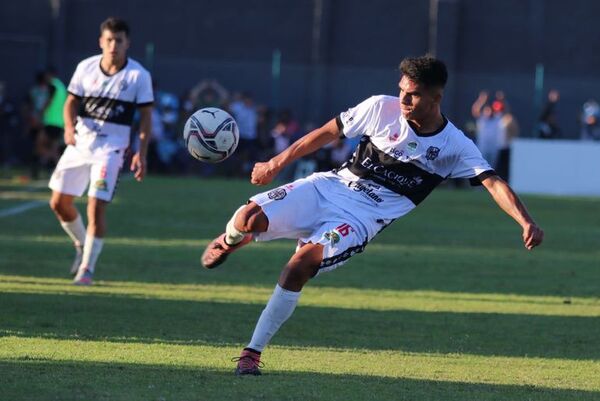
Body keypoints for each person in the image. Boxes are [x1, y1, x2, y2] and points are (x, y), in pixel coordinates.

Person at [200, 56, 544, 376]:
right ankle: (233, 240)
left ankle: (251, 353)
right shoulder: (381, 108)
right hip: (327, 188)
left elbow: (492, 181)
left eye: (412, 95)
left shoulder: (455, 145)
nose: (403, 100)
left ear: (436, 97)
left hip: (360, 221)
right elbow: (326, 133)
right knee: (248, 217)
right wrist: (276, 163)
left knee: (297, 267)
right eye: (401, 91)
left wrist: (525, 220)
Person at [48, 17, 153, 285]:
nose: (113, 45)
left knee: (95, 207)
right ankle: (83, 245)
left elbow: (145, 119)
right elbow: (71, 102)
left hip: (111, 151)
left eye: (119, 40)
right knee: (58, 204)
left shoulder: (138, 76)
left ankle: (87, 270)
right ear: (100, 42)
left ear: (127, 43)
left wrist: (141, 152)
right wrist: (69, 128)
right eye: (108, 40)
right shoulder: (86, 68)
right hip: (80, 144)